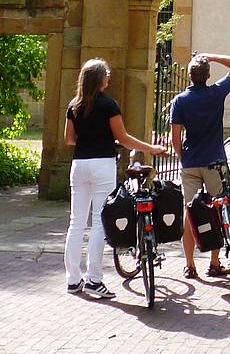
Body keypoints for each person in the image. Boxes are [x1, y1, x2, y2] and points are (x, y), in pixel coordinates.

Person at [65, 57, 168, 299]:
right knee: (100, 222)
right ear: (101, 79)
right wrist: (150, 148)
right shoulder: (108, 104)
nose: (109, 79)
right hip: (102, 164)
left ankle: (72, 280)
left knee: (76, 222)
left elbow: (69, 139)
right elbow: (123, 138)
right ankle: (94, 279)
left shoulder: (74, 105)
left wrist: (88, 138)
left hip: (79, 165)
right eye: (107, 75)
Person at [169, 51, 230, 279]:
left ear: (190, 76)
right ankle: (214, 262)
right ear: (208, 75)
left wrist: (183, 157)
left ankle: (190, 264)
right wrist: (210, 56)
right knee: (219, 210)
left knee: (189, 213)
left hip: (191, 163)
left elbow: (175, 137)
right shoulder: (216, 93)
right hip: (214, 162)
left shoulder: (180, 100)